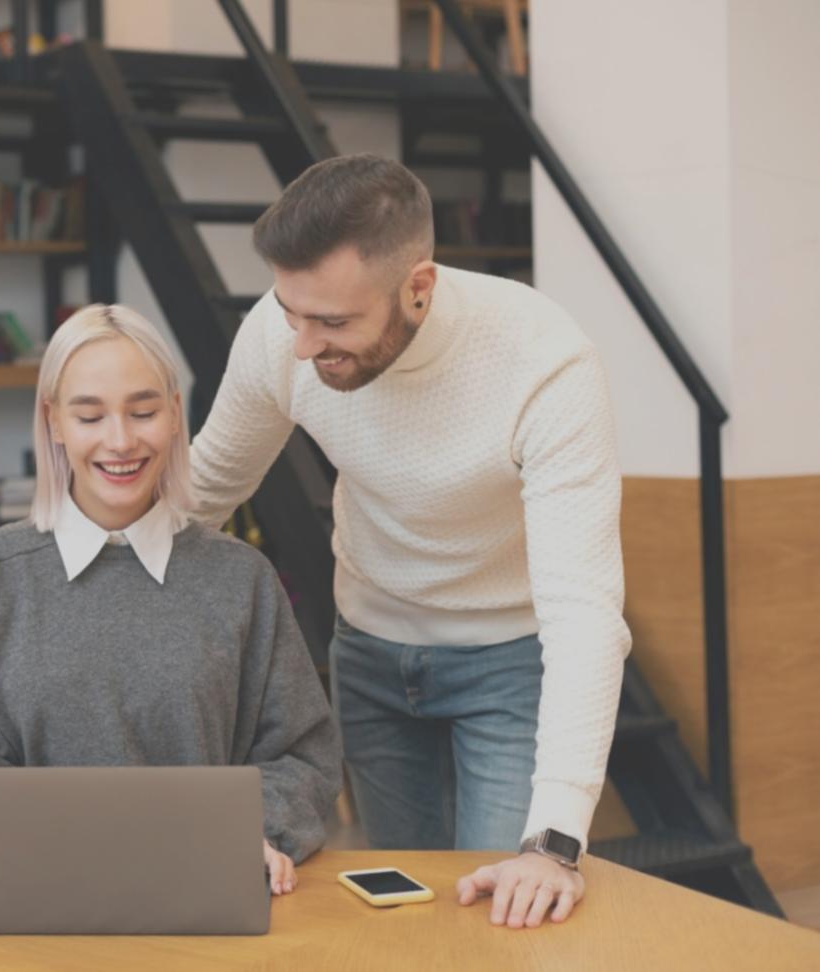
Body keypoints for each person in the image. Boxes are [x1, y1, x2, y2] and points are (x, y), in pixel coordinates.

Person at [189, 155, 631, 927]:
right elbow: (204, 491)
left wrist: (556, 838)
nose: (302, 346)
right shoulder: (283, 331)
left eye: (333, 323)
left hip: (509, 661)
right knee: (402, 914)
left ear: (418, 287)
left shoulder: (544, 363)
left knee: (504, 914)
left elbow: (585, 613)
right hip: (367, 652)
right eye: (293, 313)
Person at [0, 304, 341, 895]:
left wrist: (253, 833)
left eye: (143, 411)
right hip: (41, 897)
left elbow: (303, 755)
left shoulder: (241, 579)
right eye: (90, 416)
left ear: (175, 415)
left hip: (206, 895)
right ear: (53, 422)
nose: (120, 441)